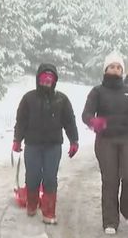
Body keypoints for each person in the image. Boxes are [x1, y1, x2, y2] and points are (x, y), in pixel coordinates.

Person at [82, 51, 128, 234]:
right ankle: (110, 221)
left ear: (122, 70)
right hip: (105, 140)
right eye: (112, 66)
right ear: (106, 69)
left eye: (119, 67)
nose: (115, 70)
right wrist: (94, 122)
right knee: (110, 180)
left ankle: (127, 209)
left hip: (127, 138)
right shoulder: (97, 91)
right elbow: (86, 114)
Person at [12, 64, 79, 224]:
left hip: (53, 145)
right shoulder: (29, 98)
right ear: (38, 79)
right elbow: (21, 121)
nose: (47, 81)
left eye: (50, 78)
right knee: (33, 176)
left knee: (50, 177)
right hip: (33, 144)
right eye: (44, 78)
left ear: (55, 81)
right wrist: (17, 140)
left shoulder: (62, 99)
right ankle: (32, 204)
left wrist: (74, 140)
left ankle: (49, 212)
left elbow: (70, 121)